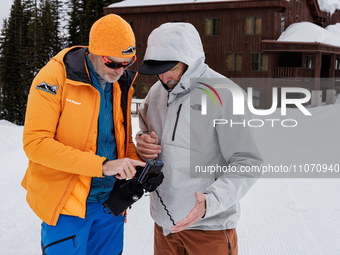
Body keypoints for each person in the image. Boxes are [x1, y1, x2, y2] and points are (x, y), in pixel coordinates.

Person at [21, 14, 146, 255]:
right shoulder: (56, 76)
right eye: (113, 63)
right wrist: (103, 166)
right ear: (95, 53)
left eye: (127, 63)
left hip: (111, 204)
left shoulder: (119, 83)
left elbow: (117, 139)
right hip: (67, 205)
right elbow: (35, 143)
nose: (120, 71)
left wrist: (140, 166)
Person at [136, 22, 263, 255]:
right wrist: (143, 144)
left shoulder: (224, 94)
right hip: (165, 226)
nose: (163, 77)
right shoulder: (155, 94)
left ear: (189, 59)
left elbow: (248, 162)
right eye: (157, 69)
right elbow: (145, 133)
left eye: (169, 67)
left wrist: (210, 203)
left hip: (209, 228)